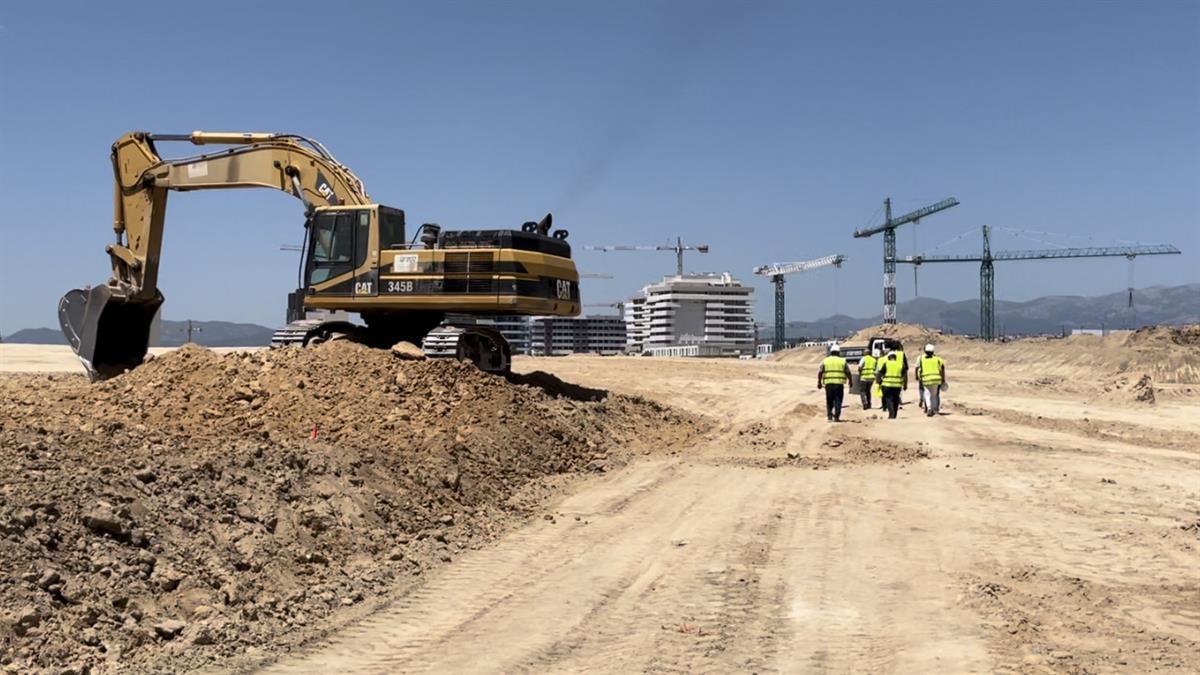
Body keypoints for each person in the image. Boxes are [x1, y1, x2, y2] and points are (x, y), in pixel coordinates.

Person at [817, 343, 853, 422]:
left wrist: (819, 382)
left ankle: (830, 416)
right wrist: (850, 381)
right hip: (839, 384)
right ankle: (836, 417)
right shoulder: (842, 361)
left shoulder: (825, 360)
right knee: (838, 400)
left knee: (829, 400)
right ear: (838, 352)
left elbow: (820, 372)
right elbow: (848, 372)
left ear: (831, 352)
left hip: (828, 384)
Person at [916, 343, 947, 416]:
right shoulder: (938, 359)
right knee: (934, 395)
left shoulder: (921, 359)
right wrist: (943, 379)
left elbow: (918, 368)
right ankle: (935, 409)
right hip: (936, 379)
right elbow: (942, 368)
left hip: (926, 379)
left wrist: (918, 377)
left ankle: (929, 408)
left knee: (927, 394)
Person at [875, 349, 907, 419]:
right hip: (897, 386)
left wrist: (878, 381)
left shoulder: (886, 364)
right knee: (896, 399)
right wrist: (905, 385)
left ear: (889, 357)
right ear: (895, 357)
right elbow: (905, 375)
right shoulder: (901, 364)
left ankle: (891, 413)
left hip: (887, 385)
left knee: (889, 399)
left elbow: (879, 373)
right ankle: (894, 414)